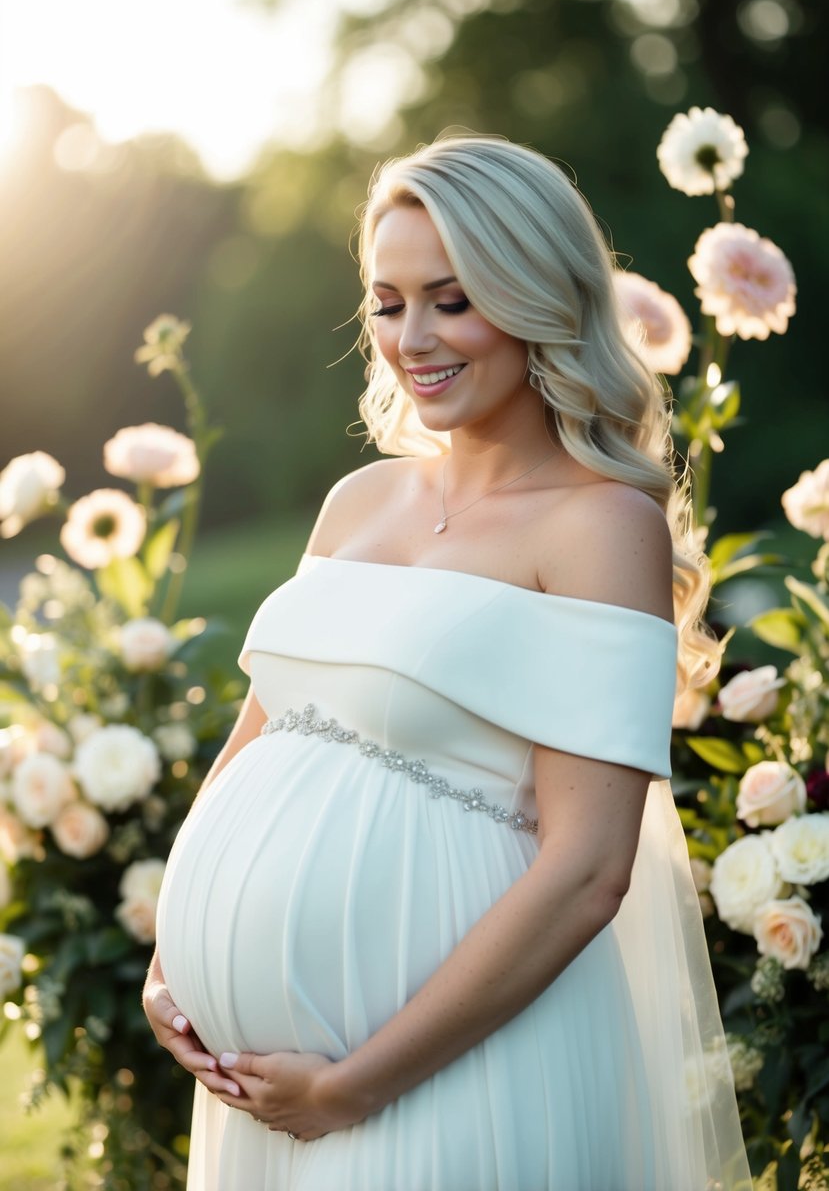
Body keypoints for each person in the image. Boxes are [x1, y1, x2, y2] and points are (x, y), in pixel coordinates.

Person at [144, 134, 751, 1190]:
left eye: (451, 299)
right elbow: (258, 733)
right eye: (387, 302)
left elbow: (588, 869)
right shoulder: (356, 500)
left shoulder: (599, 525)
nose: (410, 338)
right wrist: (172, 957)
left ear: (535, 299)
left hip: (444, 1071)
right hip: (259, 1083)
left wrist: (354, 1086)